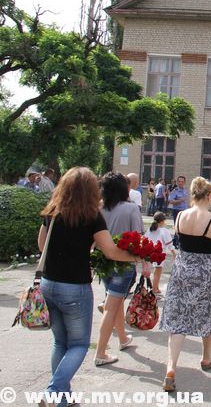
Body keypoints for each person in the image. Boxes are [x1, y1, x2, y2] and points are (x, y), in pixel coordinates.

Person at [37, 167, 138, 406]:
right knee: (79, 344)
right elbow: (110, 251)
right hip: (75, 287)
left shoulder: (52, 211)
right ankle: (53, 392)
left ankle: (62, 399)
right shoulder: (92, 216)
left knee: (60, 342)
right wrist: (136, 256)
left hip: (48, 284)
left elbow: (41, 246)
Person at [160, 177, 211, 393]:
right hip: (205, 274)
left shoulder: (181, 216)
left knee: (177, 321)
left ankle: (170, 369)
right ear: (209, 196)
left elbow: (181, 244)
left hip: (181, 273)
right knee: (207, 314)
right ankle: (206, 357)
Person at [95, 172, 145, 367]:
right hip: (124, 262)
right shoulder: (131, 208)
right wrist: (144, 261)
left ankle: (123, 338)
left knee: (115, 301)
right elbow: (139, 236)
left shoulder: (99, 208)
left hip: (103, 262)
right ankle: (100, 352)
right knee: (111, 307)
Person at [145, 211, 175, 299]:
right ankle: (154, 289)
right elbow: (169, 244)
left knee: (151, 270)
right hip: (159, 253)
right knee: (157, 272)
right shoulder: (164, 230)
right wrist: (174, 253)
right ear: (162, 221)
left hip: (149, 251)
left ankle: (154, 288)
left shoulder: (150, 229)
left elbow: (145, 238)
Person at [169, 176, 188, 249]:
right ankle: (177, 242)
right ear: (177, 182)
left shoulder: (185, 190)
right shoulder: (175, 191)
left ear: (184, 182)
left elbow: (185, 201)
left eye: (182, 181)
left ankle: (175, 241)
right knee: (178, 227)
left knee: (182, 227)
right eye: (179, 181)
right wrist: (180, 200)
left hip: (184, 211)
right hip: (177, 211)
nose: (180, 183)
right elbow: (171, 201)